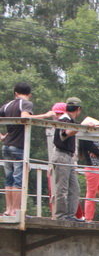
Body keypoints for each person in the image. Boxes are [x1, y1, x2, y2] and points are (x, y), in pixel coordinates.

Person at [2, 82, 57, 216]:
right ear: (29, 95)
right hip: (18, 146)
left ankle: (8, 209)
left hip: (6, 146)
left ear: (15, 93)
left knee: (9, 179)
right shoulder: (26, 103)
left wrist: (2, 137)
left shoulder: (6, 105)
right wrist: (45, 115)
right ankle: (16, 210)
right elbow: (25, 117)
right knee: (18, 179)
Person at [50, 97, 84, 221]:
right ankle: (61, 216)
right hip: (62, 155)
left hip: (68, 157)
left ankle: (70, 215)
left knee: (74, 189)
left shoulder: (69, 120)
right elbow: (63, 135)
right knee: (62, 188)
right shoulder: (64, 119)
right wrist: (79, 127)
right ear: (78, 109)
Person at [77, 116, 99, 222]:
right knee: (91, 193)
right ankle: (88, 217)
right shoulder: (85, 138)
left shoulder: (98, 136)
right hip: (92, 168)